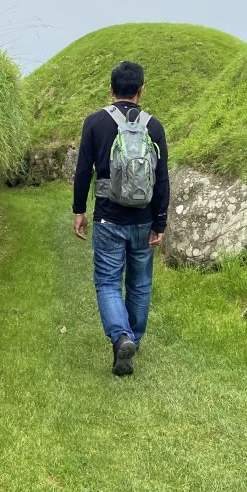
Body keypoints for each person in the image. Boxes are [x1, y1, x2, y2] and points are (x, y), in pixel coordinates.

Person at [72, 60, 170, 376]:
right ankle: (133, 343)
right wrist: (160, 222)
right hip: (143, 220)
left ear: (111, 90)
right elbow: (162, 178)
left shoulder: (94, 123)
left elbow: (83, 171)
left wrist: (79, 211)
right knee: (140, 283)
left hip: (108, 219)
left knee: (108, 282)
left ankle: (121, 337)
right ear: (141, 91)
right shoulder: (154, 127)